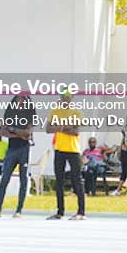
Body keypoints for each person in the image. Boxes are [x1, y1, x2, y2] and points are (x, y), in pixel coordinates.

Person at [0, 95, 36, 218]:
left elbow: (28, 133)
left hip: (24, 149)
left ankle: (19, 210)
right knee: (5, 178)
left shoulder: (30, 112)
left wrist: (13, 130)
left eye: (23, 99)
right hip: (12, 149)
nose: (20, 101)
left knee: (23, 179)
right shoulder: (10, 111)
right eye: (18, 99)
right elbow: (3, 132)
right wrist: (19, 134)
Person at [46, 92, 86, 220]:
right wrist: (65, 127)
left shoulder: (76, 112)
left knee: (77, 181)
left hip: (73, 150)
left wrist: (59, 127)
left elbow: (76, 132)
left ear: (71, 99)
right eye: (63, 97)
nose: (65, 100)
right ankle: (60, 212)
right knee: (59, 181)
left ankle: (81, 212)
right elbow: (48, 128)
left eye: (68, 98)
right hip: (59, 149)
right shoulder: (55, 112)